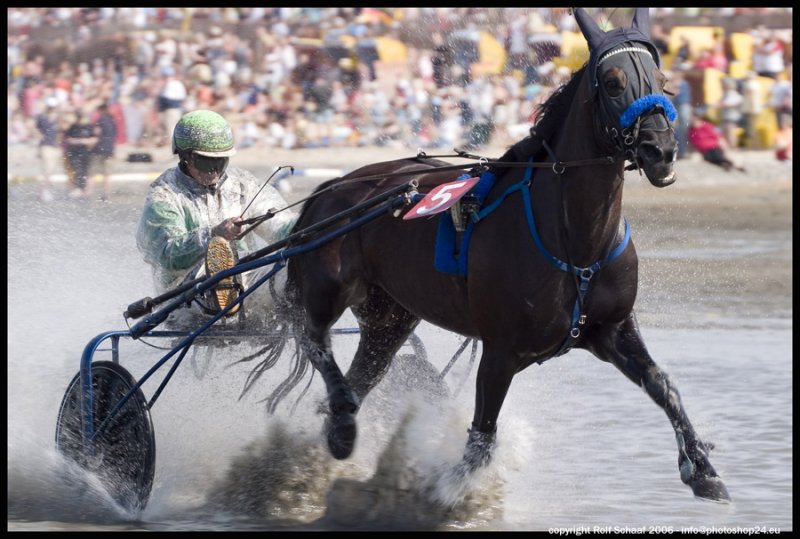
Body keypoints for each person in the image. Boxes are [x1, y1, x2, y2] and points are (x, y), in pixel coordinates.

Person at [136, 110, 297, 327]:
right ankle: (224, 289)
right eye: (205, 162)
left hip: (246, 281)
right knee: (215, 274)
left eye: (220, 162)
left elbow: (279, 224)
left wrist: (309, 222)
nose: (214, 170)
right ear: (185, 156)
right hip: (184, 296)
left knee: (293, 271)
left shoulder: (243, 184)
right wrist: (213, 235)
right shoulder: (163, 196)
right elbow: (167, 255)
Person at [63, 107, 99, 198]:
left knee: (86, 171)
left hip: (86, 152)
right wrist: (78, 141)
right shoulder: (73, 127)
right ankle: (77, 188)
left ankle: (85, 190)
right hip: (75, 152)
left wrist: (85, 141)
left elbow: (95, 139)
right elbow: (68, 139)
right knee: (77, 170)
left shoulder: (89, 126)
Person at [34, 98, 62, 202]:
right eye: (50, 107)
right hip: (45, 145)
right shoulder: (41, 117)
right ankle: (44, 191)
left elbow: (60, 130)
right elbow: (36, 128)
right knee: (48, 169)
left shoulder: (58, 117)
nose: (52, 109)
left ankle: (43, 190)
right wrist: (40, 137)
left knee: (51, 170)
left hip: (55, 145)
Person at [90, 101, 118, 201]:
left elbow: (96, 133)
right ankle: (106, 194)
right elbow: (114, 136)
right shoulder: (112, 121)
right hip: (109, 149)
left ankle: (88, 193)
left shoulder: (100, 120)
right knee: (107, 174)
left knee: (92, 172)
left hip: (98, 149)